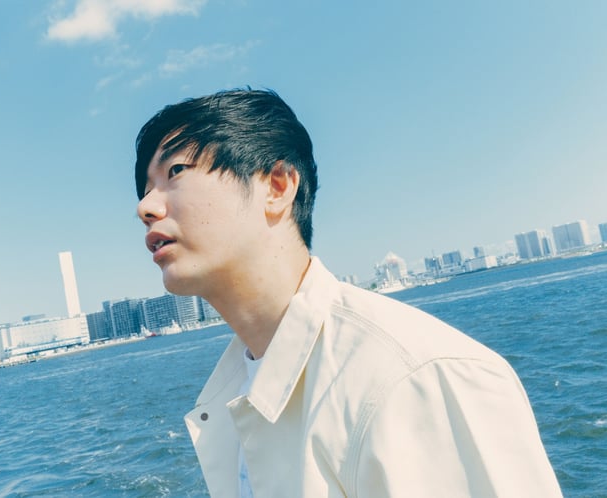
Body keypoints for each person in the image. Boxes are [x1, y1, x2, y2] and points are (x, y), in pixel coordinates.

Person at [134, 89, 562, 497]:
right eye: (146, 189)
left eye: (176, 171)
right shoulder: (234, 389)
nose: (145, 207)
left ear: (277, 186)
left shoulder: (415, 379)